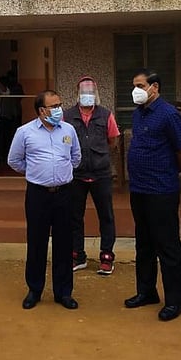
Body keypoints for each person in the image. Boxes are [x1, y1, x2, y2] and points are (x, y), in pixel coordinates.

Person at [124, 69, 181, 321]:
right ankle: (146, 291)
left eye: (140, 85)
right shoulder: (139, 112)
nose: (136, 90)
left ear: (154, 87)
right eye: (134, 85)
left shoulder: (168, 115)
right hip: (139, 189)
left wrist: (170, 171)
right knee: (143, 243)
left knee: (167, 245)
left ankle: (175, 301)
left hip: (161, 190)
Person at [8, 90, 82, 311]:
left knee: (64, 242)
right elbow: (14, 160)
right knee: (37, 241)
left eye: (60, 104)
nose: (59, 109)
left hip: (65, 193)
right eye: (54, 106)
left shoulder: (68, 130)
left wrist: (61, 172)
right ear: (41, 110)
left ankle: (63, 292)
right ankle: (34, 289)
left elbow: (76, 157)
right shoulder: (25, 132)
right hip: (38, 194)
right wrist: (36, 172)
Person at [63, 76, 120, 275]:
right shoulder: (67, 115)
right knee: (74, 216)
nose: (86, 96)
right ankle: (77, 255)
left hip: (101, 173)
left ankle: (106, 256)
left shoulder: (105, 114)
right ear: (77, 93)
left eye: (90, 92)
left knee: (106, 216)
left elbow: (112, 140)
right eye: (83, 92)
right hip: (76, 174)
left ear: (96, 93)